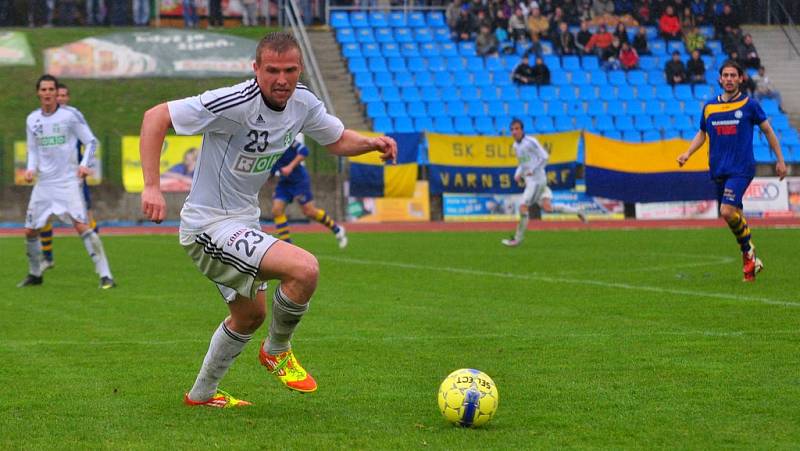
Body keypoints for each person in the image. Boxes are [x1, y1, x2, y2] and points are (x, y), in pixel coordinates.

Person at [138, 32, 397, 408]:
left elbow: (336, 138)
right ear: (255, 69)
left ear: (300, 68)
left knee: (249, 316)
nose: (281, 79)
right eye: (272, 70)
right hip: (208, 225)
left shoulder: (303, 102)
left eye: (289, 70)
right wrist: (151, 186)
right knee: (304, 269)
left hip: (243, 222)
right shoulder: (235, 102)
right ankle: (277, 351)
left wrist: (371, 143)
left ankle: (201, 395)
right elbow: (155, 116)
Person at [677, 60, 787, 282]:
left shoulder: (749, 105)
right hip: (718, 168)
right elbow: (702, 133)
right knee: (733, 216)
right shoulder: (709, 106)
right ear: (720, 79)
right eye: (725, 75)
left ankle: (748, 253)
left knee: (727, 211)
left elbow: (768, 131)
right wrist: (688, 153)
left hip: (741, 168)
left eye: (732, 75)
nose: (728, 79)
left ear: (740, 79)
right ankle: (750, 260)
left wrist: (780, 160)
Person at [18, 74, 115, 289]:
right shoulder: (32, 119)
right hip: (44, 184)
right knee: (29, 230)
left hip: (68, 182)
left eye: (51, 89)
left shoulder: (70, 116)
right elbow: (32, 149)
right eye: (43, 90)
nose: (47, 93)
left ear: (56, 93)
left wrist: (84, 164)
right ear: (38, 93)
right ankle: (35, 274)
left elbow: (90, 141)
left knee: (81, 225)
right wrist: (31, 168)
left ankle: (106, 275)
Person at [38, 83, 102, 270]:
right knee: (45, 216)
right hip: (50, 178)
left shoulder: (74, 116)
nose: (61, 98)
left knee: (86, 215)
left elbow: (90, 141)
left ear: (68, 98)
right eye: (58, 95)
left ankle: (99, 258)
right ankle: (47, 257)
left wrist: (85, 165)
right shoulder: (43, 119)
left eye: (64, 95)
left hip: (73, 176)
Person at [501, 118, 586, 247]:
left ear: (522, 130)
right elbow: (523, 163)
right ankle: (578, 211)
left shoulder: (530, 142)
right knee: (548, 208)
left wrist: (533, 169)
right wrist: (518, 173)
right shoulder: (515, 146)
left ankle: (517, 239)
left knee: (523, 206)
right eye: (512, 129)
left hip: (537, 181)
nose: (514, 132)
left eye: (517, 129)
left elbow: (545, 157)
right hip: (531, 181)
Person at [271, 136, 348, 248]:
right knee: (277, 210)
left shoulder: (286, 140)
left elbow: (304, 151)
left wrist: (290, 167)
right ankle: (287, 245)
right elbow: (270, 171)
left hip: (299, 180)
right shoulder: (269, 149)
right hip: (284, 182)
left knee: (309, 211)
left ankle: (336, 229)